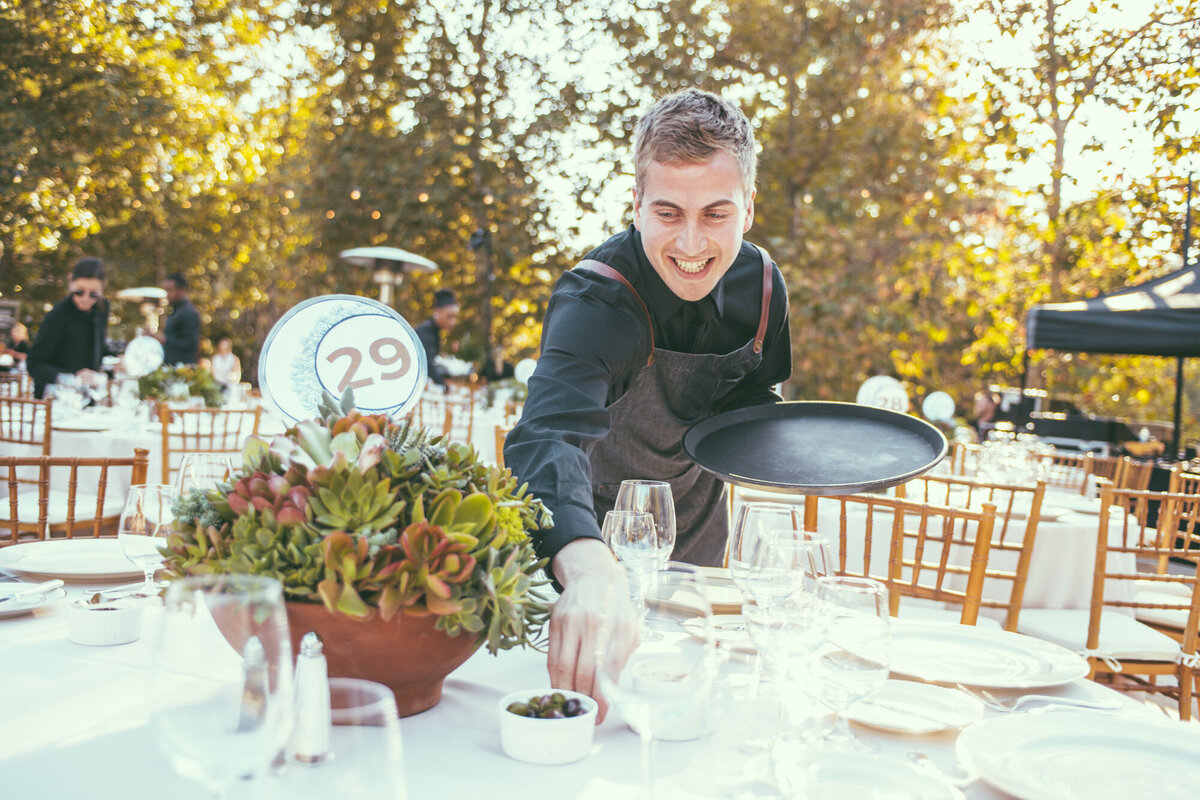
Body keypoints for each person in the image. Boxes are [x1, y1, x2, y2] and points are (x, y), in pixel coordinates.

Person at [504, 89, 791, 714]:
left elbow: (754, 398)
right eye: (668, 213)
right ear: (635, 205)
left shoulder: (764, 285)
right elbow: (546, 438)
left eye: (716, 214)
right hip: (584, 554)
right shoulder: (595, 298)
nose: (691, 245)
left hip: (701, 563)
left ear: (749, 208)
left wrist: (804, 448)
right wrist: (588, 569)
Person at [26, 257, 112, 398]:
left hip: (88, 397)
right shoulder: (57, 315)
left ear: (103, 287)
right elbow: (34, 364)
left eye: (93, 294)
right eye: (79, 291)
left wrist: (114, 362)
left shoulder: (102, 309)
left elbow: (96, 349)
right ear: (71, 281)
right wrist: (72, 377)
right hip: (54, 399)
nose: (85, 298)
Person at [414, 288, 460, 390]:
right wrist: (443, 383)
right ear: (438, 311)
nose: (453, 322)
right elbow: (426, 364)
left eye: (455, 317)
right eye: (449, 316)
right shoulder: (426, 332)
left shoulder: (435, 331)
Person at [158, 273, 201, 365]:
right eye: (165, 290)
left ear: (182, 290)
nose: (167, 294)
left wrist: (164, 340)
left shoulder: (189, 313)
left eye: (169, 290)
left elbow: (191, 344)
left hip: (183, 370)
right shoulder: (175, 312)